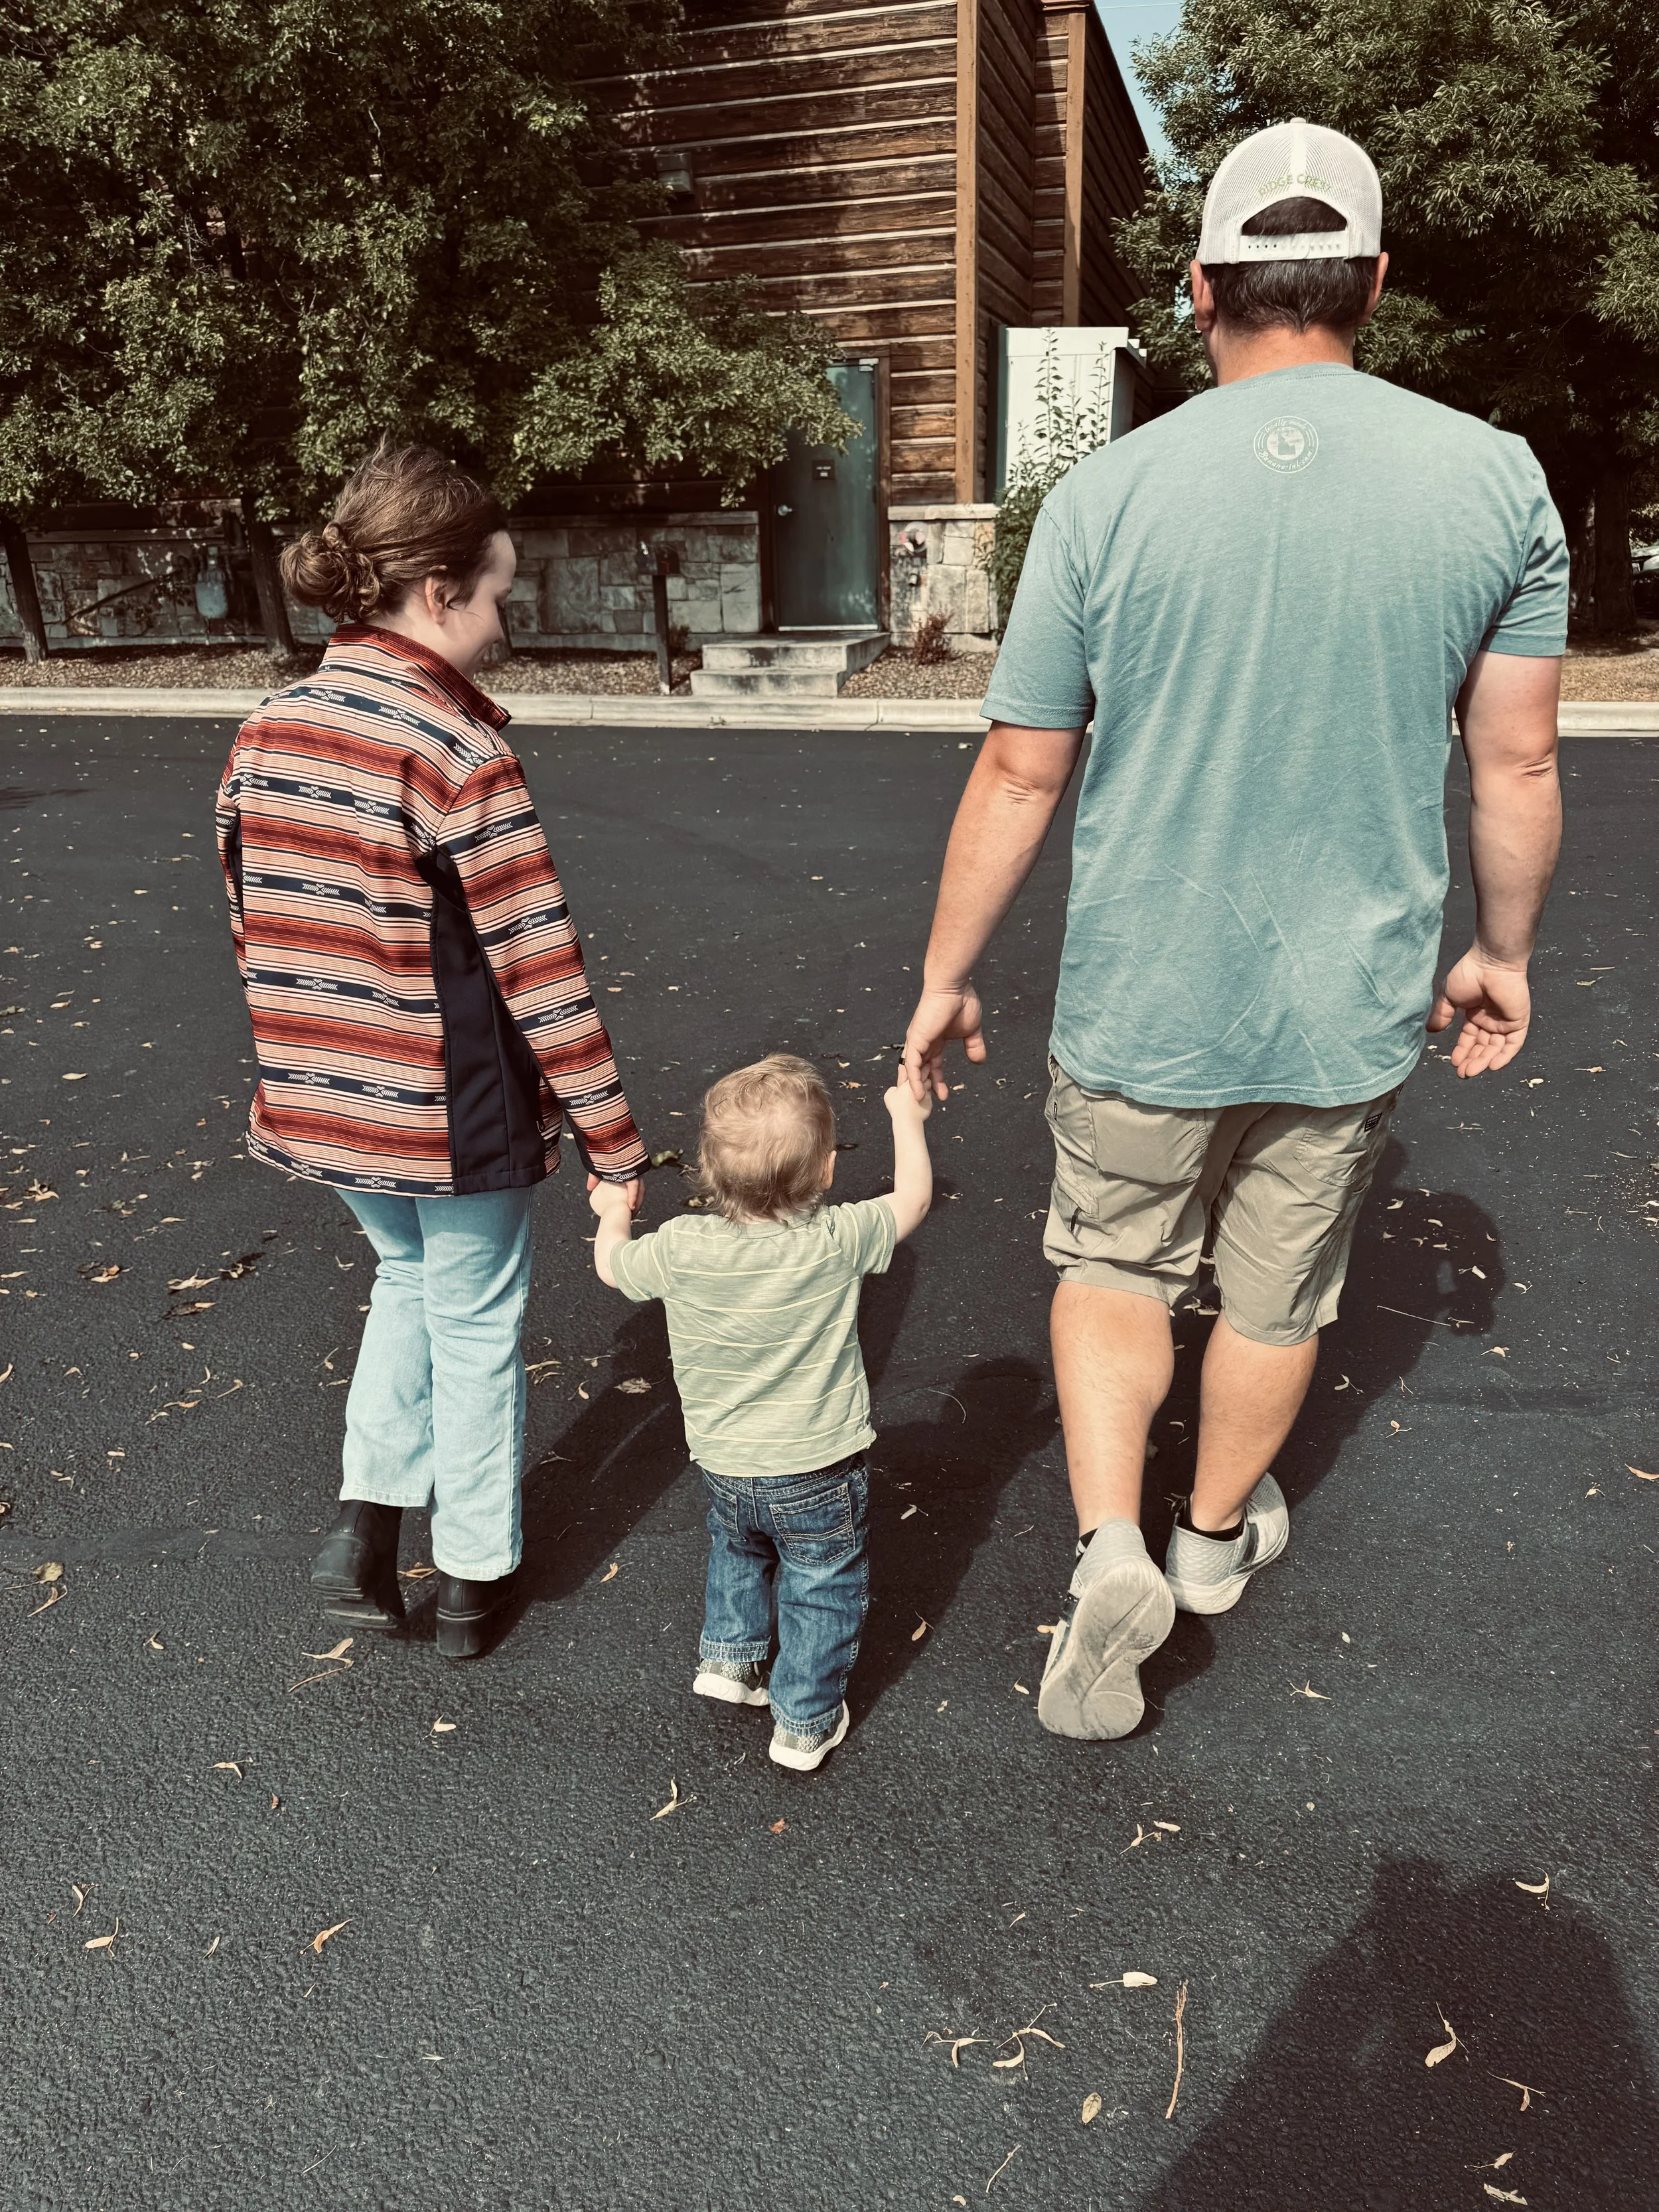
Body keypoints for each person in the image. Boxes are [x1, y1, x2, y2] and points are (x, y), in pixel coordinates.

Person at [901, 119, 1567, 1741]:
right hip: (1339, 1008)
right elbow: (1519, 757)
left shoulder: (1108, 494)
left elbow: (1019, 765)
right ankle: (1208, 1547)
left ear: (1200, 289)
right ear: (1374, 283)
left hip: (1146, 989)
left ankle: (1108, 1542)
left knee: (1117, 1268)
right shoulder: (1495, 481)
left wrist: (944, 975)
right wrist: (1502, 949)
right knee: (1279, 1293)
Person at [215, 444, 646, 1660]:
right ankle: (472, 1572)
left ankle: (360, 1538)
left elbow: (255, 923)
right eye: (500, 594)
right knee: (472, 1320)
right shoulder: (456, 749)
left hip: (323, 1096)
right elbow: (540, 966)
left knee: (405, 1284)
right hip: (443, 1107)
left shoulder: (268, 727)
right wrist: (616, 1141)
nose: (506, 621)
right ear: (441, 592)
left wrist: (298, 1068)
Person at [590, 1056, 933, 1771]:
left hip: (721, 1455)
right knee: (821, 1576)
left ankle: (730, 1660)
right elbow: (913, 1202)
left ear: (708, 1170)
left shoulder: (682, 1247)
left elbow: (612, 1269)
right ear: (828, 1172)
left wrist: (613, 1214)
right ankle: (803, 1722)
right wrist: (907, 1118)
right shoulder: (835, 1239)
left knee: (738, 1545)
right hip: (815, 1461)